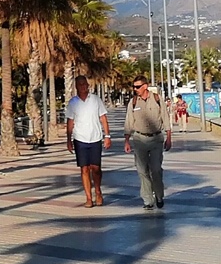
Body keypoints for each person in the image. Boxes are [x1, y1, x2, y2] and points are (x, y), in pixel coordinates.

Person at [123, 77, 172, 211]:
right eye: (134, 86)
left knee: (156, 169)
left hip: (156, 138)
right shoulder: (133, 102)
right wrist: (126, 140)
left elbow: (165, 117)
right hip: (139, 139)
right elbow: (129, 121)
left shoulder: (156, 99)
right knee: (142, 171)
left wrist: (169, 136)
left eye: (137, 87)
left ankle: (159, 195)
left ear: (145, 86)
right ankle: (148, 199)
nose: (135, 89)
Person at [65, 75, 112, 207]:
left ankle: (98, 191)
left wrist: (107, 136)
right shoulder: (73, 103)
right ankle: (88, 197)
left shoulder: (95, 100)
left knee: (96, 168)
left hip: (95, 138)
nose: (83, 86)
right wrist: (69, 140)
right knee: (84, 168)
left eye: (85, 84)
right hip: (80, 139)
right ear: (76, 87)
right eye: (80, 84)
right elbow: (70, 121)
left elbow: (103, 118)